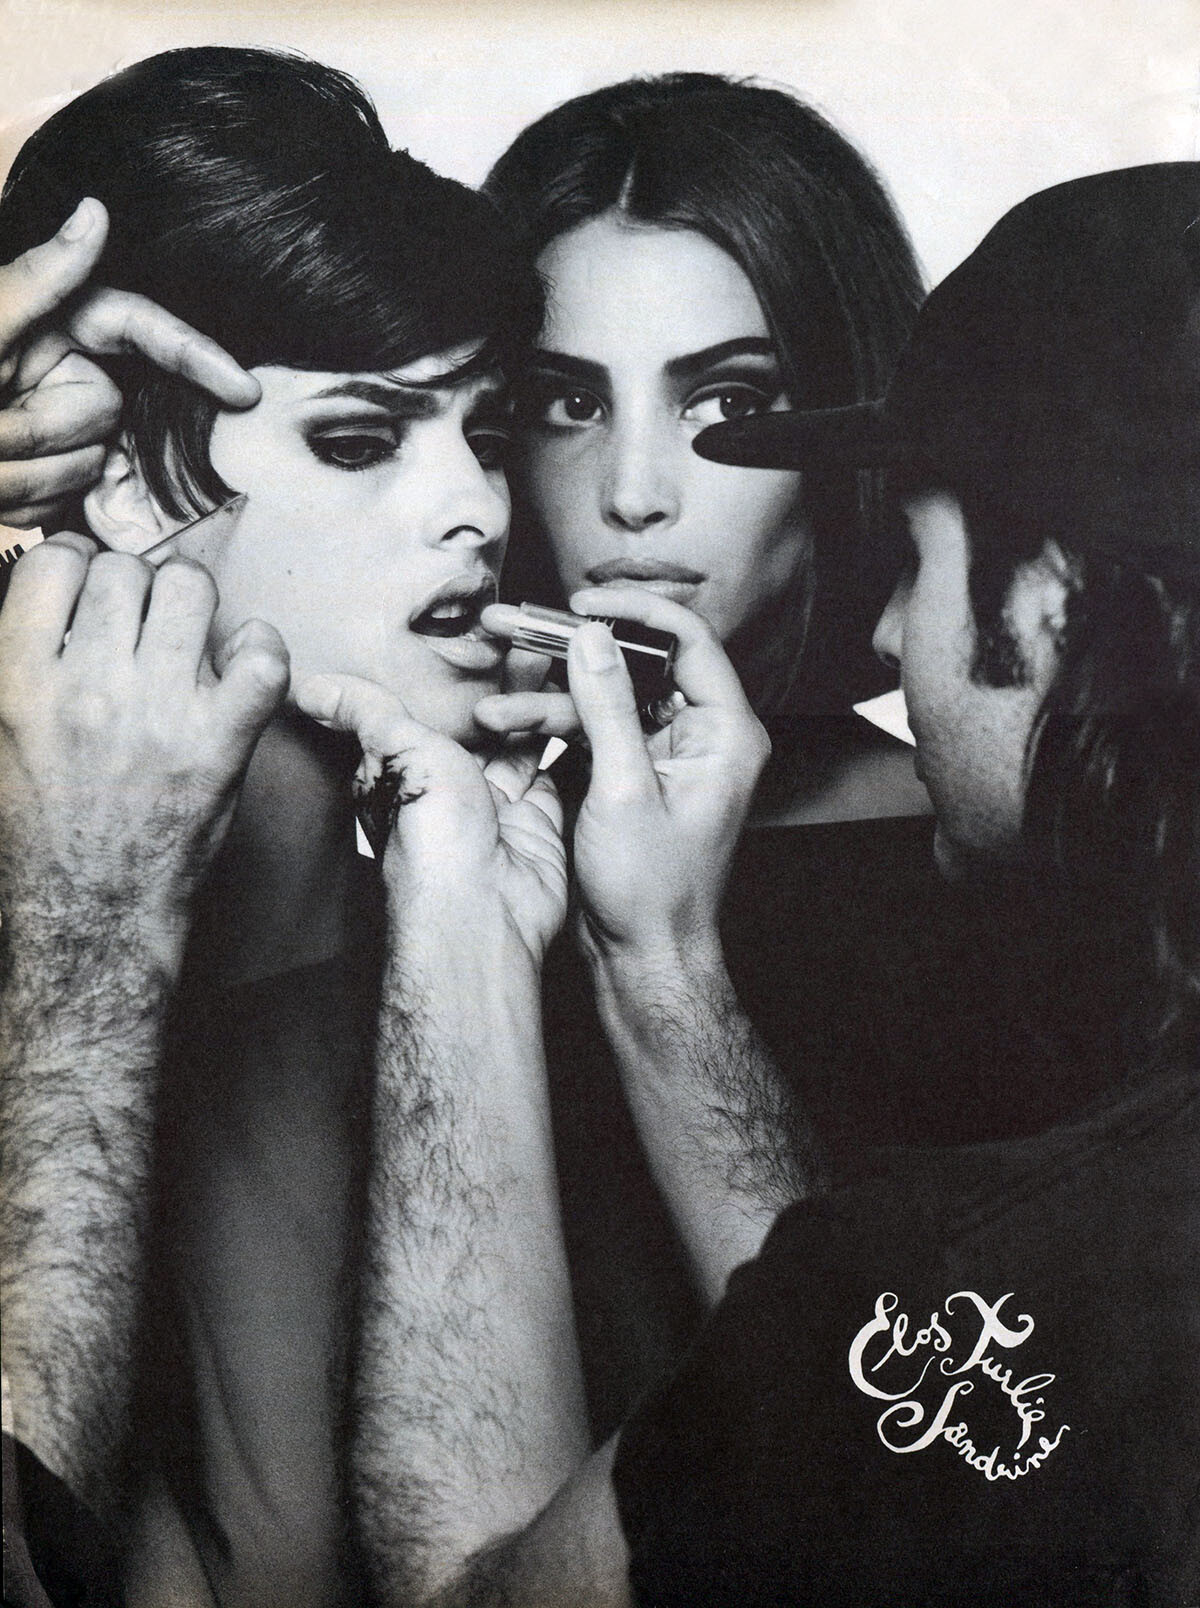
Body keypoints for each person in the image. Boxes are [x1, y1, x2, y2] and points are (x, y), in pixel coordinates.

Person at [325, 162, 1198, 1604]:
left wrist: (463, 919)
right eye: (564, 401)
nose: (891, 626)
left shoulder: (1038, 1231)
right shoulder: (1052, 1243)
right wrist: (659, 959)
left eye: (922, 556)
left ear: (1054, 597)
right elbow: (887, 1422)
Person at [473, 75, 1108, 1434]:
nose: (634, 496)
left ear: (851, 430)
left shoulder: (1019, 868)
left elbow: (959, 1462)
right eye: (568, 403)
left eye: (726, 403)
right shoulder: (431, 863)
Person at [0, 45, 543, 1607]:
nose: (480, 511)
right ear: (119, 476)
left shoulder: (465, 919)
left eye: (488, 431)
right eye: (362, 440)